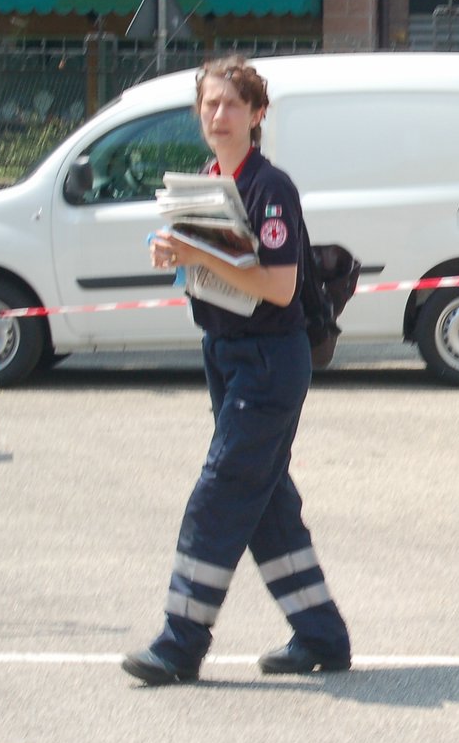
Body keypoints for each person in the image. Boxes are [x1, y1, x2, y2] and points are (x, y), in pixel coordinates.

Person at [122, 55, 352, 685]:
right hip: (225, 353)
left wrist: (198, 251)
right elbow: (213, 273)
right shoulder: (206, 182)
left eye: (229, 104)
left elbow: (278, 288)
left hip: (270, 360)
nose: (217, 115)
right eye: (209, 105)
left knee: (220, 494)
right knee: (268, 503)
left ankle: (180, 643)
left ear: (256, 114)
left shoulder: (269, 188)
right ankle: (322, 636)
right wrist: (174, 253)